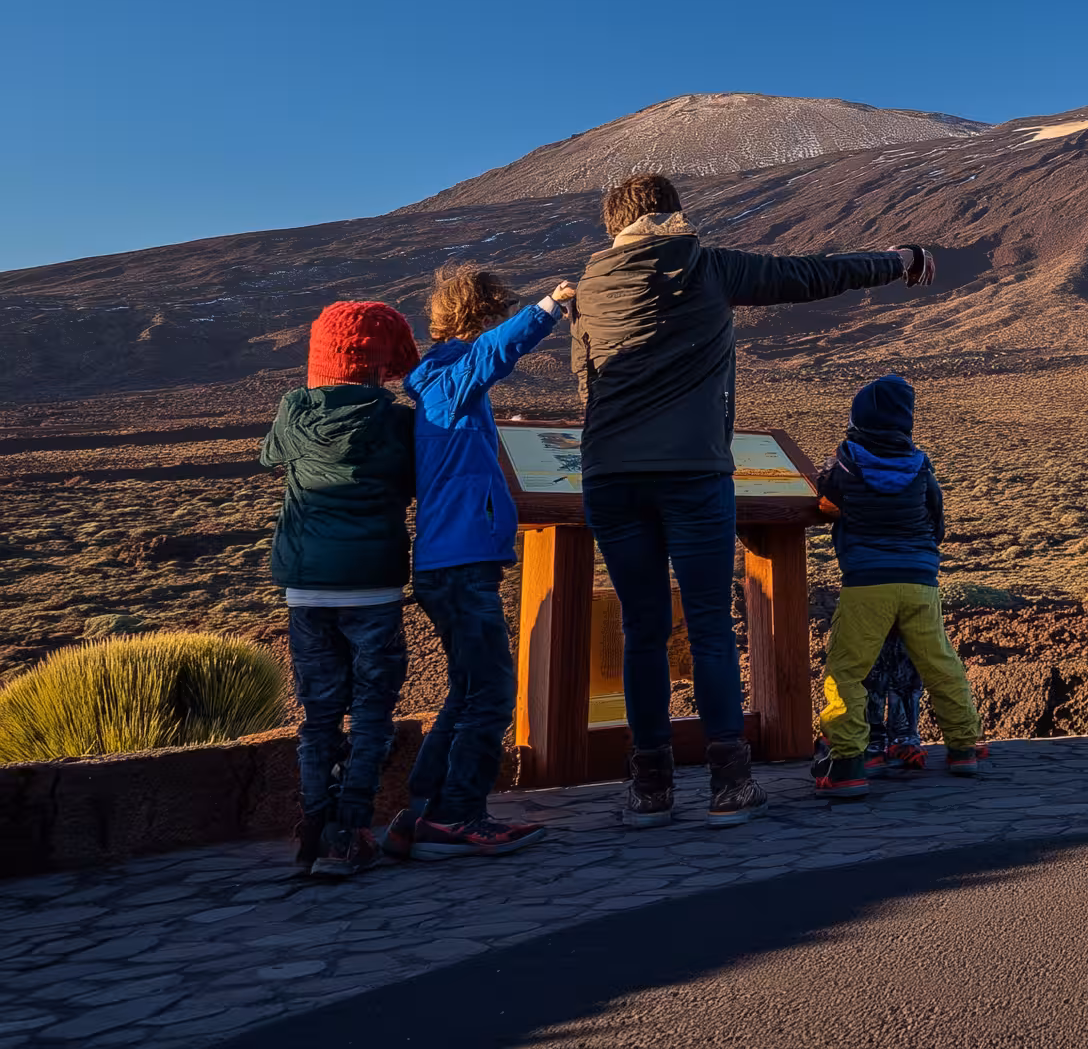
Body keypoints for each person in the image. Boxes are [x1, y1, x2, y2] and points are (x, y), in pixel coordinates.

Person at [572, 173, 934, 826]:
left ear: (615, 225)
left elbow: (585, 381)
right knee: (710, 627)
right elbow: (812, 276)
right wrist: (899, 260)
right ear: (674, 216)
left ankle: (649, 787)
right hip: (693, 472)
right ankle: (729, 783)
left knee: (642, 631)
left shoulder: (589, 286)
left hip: (610, 474)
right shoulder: (708, 267)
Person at [382, 264, 571, 861]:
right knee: (490, 691)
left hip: (453, 562)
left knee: (468, 689)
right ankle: (460, 816)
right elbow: (492, 354)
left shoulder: (442, 386)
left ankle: (426, 810)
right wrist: (548, 307)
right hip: (461, 564)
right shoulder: (448, 380)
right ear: (483, 312)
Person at [261, 300, 420, 878]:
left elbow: (270, 455)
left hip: (307, 591)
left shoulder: (293, 413)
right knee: (373, 712)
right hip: (372, 588)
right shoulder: (397, 421)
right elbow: (412, 481)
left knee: (319, 714)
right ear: (380, 363)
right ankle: (349, 833)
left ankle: (312, 826)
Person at [808, 375, 987, 799]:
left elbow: (825, 491)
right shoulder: (921, 465)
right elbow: (936, 521)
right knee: (941, 665)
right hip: (920, 582)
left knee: (847, 671)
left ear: (858, 418)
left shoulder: (847, 460)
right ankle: (965, 748)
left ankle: (847, 763)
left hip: (867, 584)